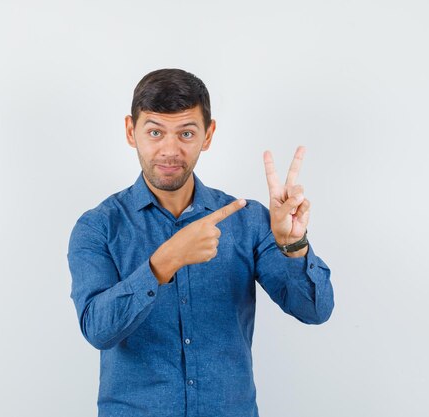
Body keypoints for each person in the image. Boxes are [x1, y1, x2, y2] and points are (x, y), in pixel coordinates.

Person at [67, 68, 334, 417]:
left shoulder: (248, 219)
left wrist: (294, 245)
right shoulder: (98, 226)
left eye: (186, 133)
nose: (169, 149)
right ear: (131, 132)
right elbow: (98, 330)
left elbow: (315, 311)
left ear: (208, 135)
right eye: (155, 132)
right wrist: (162, 264)